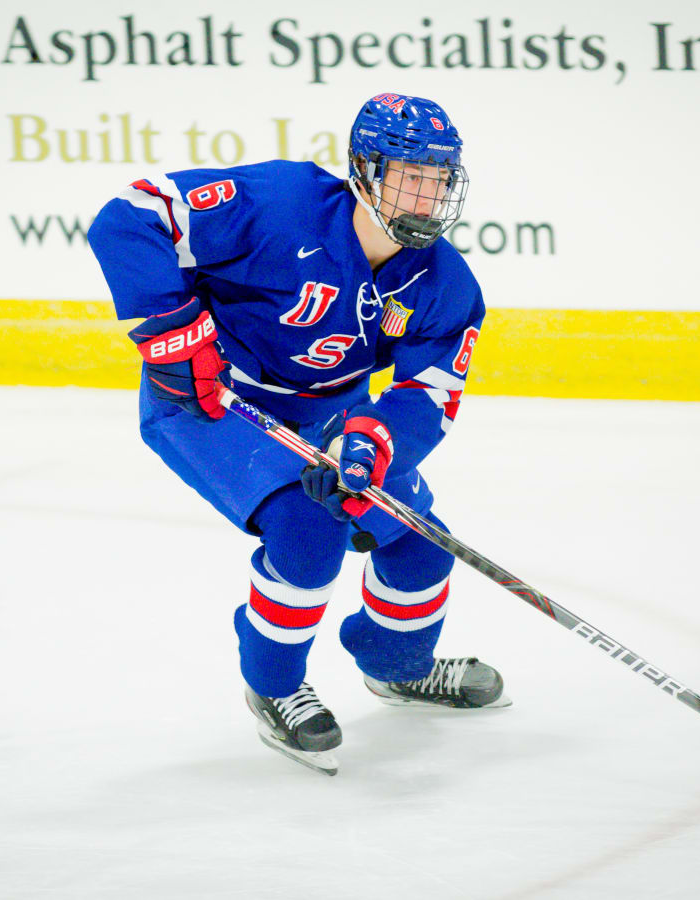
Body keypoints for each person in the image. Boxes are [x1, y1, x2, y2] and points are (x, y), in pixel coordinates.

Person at [87, 92, 509, 775]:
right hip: (212, 400)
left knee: (422, 549)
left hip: (332, 412)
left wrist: (369, 444)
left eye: (440, 178)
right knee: (307, 532)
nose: (428, 196)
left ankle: (398, 667)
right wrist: (170, 332)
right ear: (365, 172)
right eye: (411, 174)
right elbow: (131, 216)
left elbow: (428, 392)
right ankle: (276, 687)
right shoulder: (280, 206)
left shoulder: (442, 283)